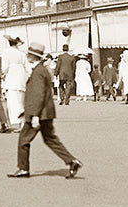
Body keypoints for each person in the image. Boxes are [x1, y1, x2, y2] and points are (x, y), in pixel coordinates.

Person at [7, 42, 82, 179]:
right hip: (46, 113)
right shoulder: (42, 70)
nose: (27, 56)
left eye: (29, 54)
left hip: (38, 113)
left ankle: (23, 168)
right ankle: (72, 161)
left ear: (32, 57)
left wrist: (34, 115)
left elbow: (38, 95)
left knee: (24, 140)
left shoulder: (38, 72)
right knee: (50, 139)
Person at [2, 36, 29, 128]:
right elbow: (27, 67)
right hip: (22, 78)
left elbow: (4, 67)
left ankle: (14, 122)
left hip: (12, 78)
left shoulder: (6, 52)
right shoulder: (22, 53)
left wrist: (3, 75)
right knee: (21, 101)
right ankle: (23, 123)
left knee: (12, 102)